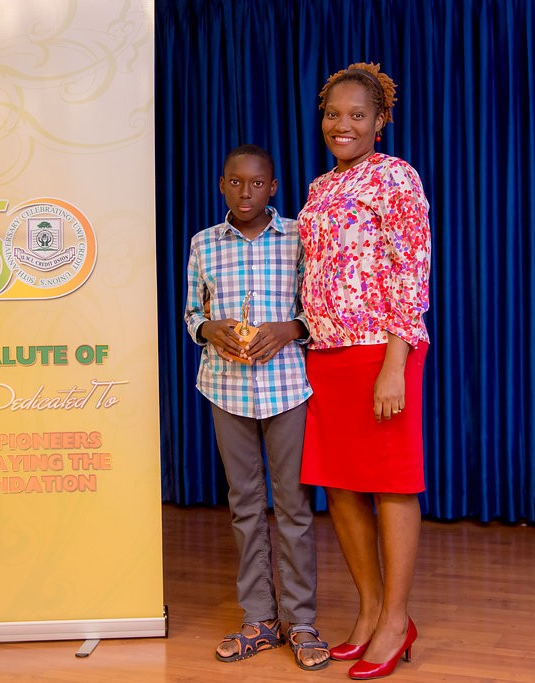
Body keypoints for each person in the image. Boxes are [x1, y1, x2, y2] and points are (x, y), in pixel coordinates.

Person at [296, 63, 431, 680]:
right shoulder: (319, 187)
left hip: (382, 351)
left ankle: (397, 620)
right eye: (333, 114)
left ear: (381, 121)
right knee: (341, 484)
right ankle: (370, 608)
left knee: (391, 483)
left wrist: (394, 365)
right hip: (326, 355)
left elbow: (411, 272)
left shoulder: (396, 177)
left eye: (357, 115)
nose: (341, 125)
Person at [184, 144, 330, 671]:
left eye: (256, 183)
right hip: (225, 389)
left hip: (287, 388)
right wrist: (209, 330)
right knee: (244, 505)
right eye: (235, 182)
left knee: (293, 507)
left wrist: (291, 328)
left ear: (273, 187)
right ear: (222, 184)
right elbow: (191, 314)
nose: (245, 192)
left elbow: (319, 309)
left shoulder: (298, 237)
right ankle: (259, 619)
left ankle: (301, 621)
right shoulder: (204, 243)